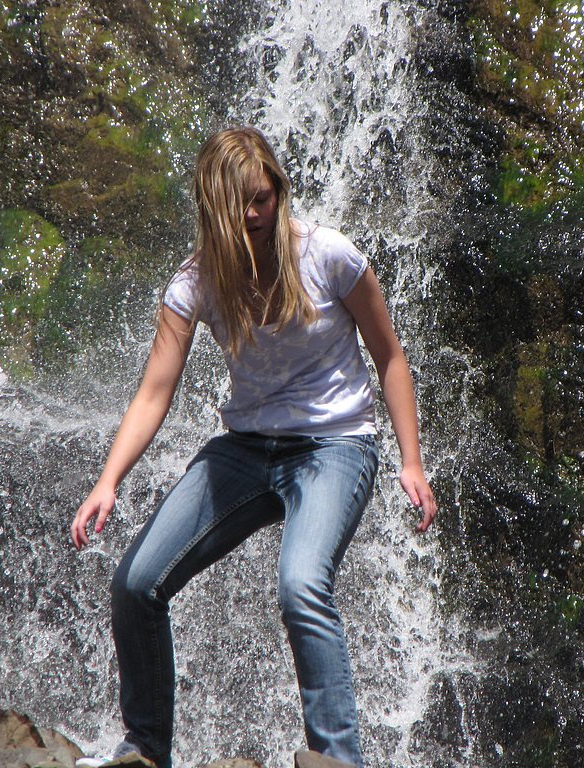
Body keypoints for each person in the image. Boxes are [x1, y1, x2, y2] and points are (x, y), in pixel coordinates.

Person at [70, 126, 437, 768]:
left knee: (300, 585)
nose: (252, 215)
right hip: (244, 449)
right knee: (136, 582)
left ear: (279, 192)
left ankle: (337, 760)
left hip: (335, 446)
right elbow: (154, 392)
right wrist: (108, 480)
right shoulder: (196, 282)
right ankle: (145, 749)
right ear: (211, 208)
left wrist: (411, 461)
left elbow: (390, 356)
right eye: (237, 205)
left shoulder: (328, 256)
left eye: (262, 199)